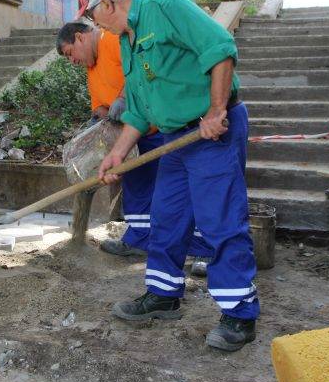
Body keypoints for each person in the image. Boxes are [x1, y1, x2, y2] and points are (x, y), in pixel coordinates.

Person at [85, 0, 259, 352]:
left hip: (210, 130)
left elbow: (220, 47)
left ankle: (239, 314)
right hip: (174, 138)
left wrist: (215, 111)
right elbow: (139, 112)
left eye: (92, 15)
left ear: (109, 4)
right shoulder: (127, 41)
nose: (94, 25)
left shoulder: (166, 6)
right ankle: (163, 295)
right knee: (167, 216)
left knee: (221, 220)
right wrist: (117, 154)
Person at [56, 20, 213, 261]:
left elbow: (141, 70)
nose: (72, 61)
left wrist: (123, 97)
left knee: (180, 190)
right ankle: (140, 239)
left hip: (159, 129)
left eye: (70, 54)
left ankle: (201, 249)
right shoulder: (91, 67)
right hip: (130, 136)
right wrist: (98, 118)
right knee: (137, 188)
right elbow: (98, 104)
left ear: (80, 37)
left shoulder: (112, 40)